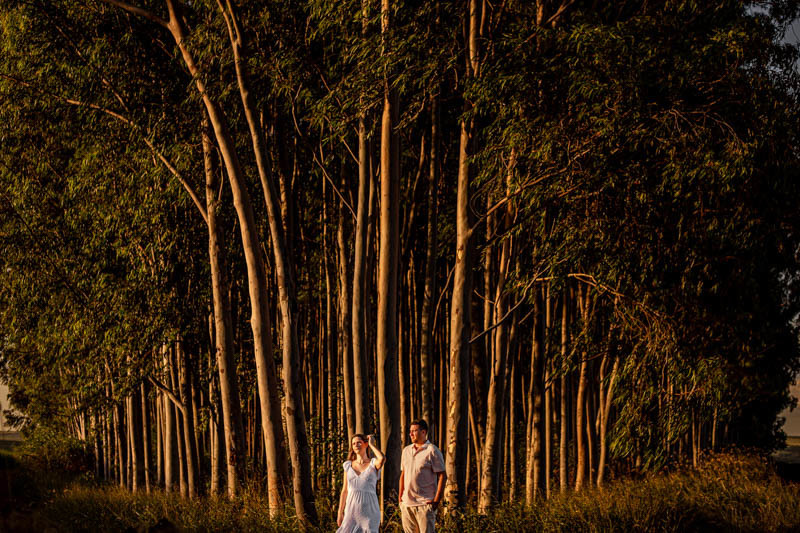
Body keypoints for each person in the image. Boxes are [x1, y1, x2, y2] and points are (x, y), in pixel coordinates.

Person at [398, 419, 446, 533]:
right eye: (410, 431)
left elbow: (442, 476)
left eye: (414, 431)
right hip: (407, 504)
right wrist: (400, 498)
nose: (411, 434)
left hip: (425, 504)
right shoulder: (406, 450)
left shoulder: (432, 450)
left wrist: (436, 500)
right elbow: (403, 474)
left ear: (423, 432)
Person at [337, 433, 385, 532]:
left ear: (365, 444)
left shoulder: (373, 463)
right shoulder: (348, 465)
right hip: (351, 512)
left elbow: (382, 458)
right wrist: (340, 513)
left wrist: (372, 444)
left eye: (359, 442)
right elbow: (344, 491)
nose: (356, 445)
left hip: (370, 512)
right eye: (353, 443)